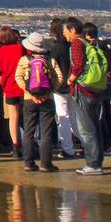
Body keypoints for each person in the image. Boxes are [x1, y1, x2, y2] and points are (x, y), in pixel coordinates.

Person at [15, 31, 62, 172]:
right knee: (46, 132)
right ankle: (46, 164)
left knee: (29, 131)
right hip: (47, 99)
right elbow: (59, 78)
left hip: (29, 99)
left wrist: (28, 92)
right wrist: (49, 91)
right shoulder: (50, 61)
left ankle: (28, 162)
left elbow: (18, 77)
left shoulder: (24, 60)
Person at [63, 17, 105, 175]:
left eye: (65, 31)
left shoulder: (77, 44)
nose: (64, 35)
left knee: (86, 128)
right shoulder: (88, 42)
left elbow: (78, 65)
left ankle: (93, 164)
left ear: (73, 30)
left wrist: (70, 79)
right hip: (94, 89)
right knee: (95, 125)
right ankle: (97, 161)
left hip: (82, 89)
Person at [46, 18, 77, 159]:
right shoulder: (72, 46)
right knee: (74, 117)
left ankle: (68, 149)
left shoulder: (56, 49)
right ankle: (85, 143)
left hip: (60, 88)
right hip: (73, 86)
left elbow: (51, 67)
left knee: (63, 118)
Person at [0, 26, 25, 159]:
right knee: (26, 117)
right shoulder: (20, 49)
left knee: (13, 118)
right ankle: (30, 143)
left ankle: (15, 146)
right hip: (24, 87)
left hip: (9, 87)